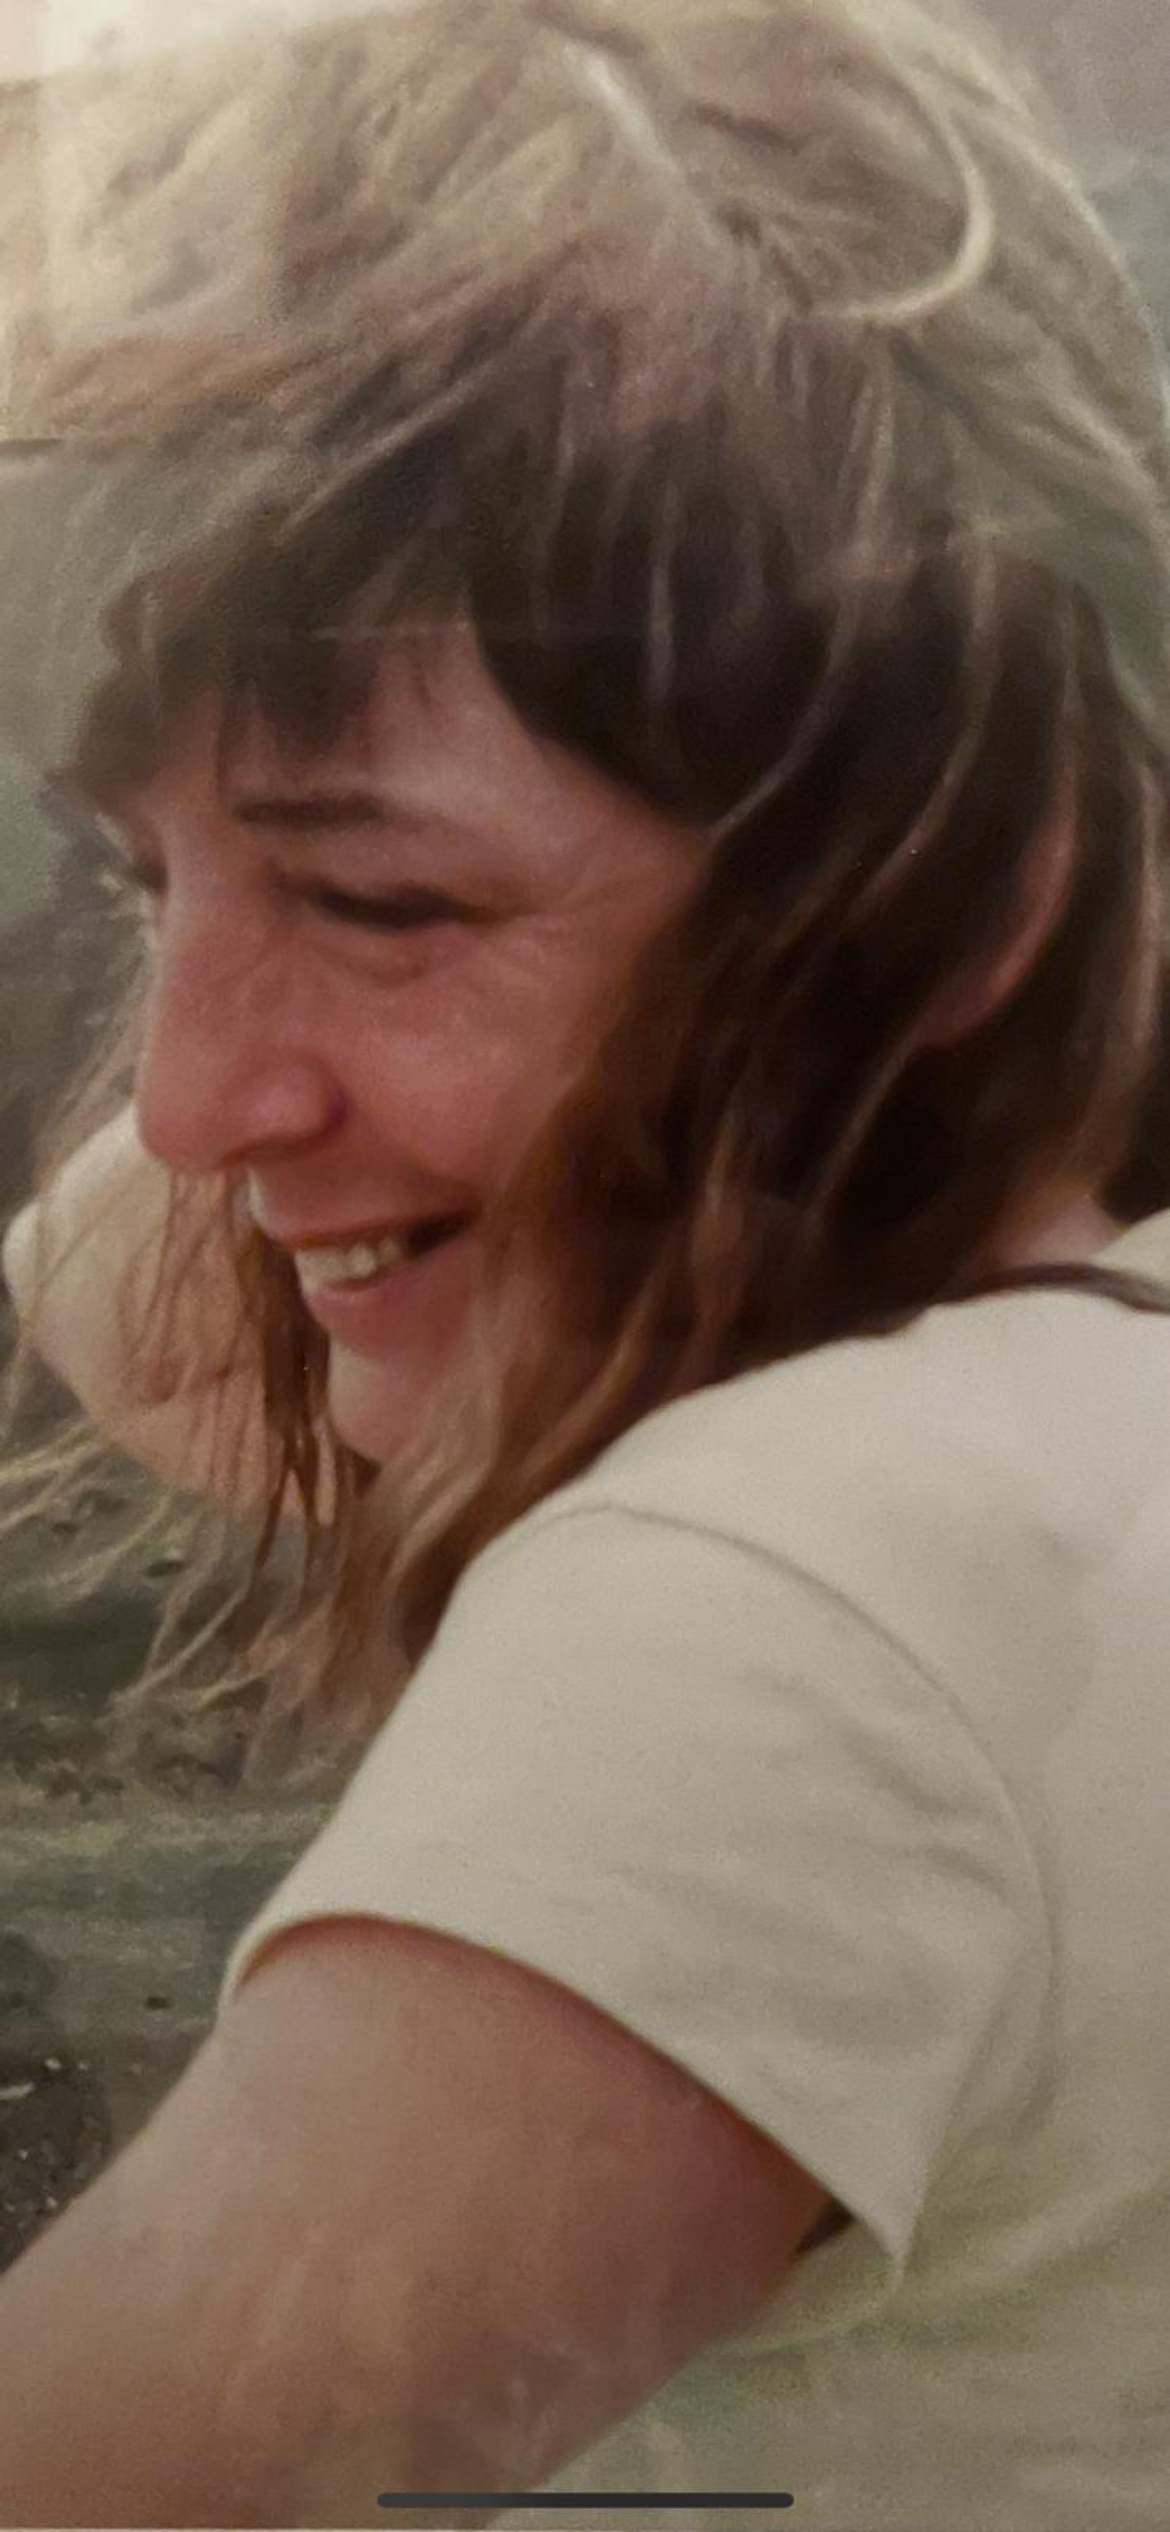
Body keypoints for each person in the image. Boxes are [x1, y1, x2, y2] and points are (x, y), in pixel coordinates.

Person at [2, 0, 1170, 2522]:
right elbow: (119, 1288)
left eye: (381, 899)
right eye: (147, 881)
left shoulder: (783, 1602)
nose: (186, 1101)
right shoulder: (1086, 1419)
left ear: (970, 889)